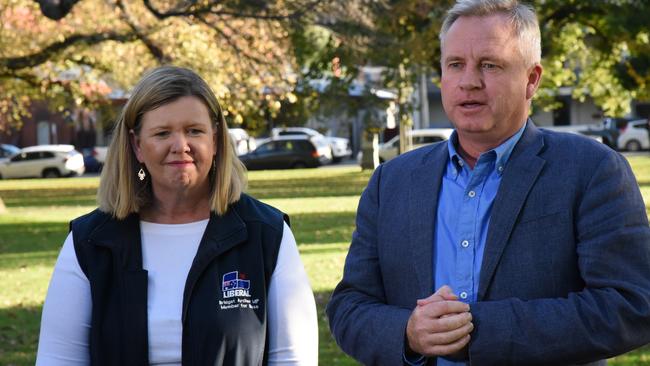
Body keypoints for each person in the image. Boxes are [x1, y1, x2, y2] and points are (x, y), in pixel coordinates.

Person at [326, 1, 650, 365]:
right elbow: (350, 307)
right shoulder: (393, 181)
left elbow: (630, 305)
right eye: (455, 65)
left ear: (532, 79)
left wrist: (477, 331)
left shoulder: (591, 170)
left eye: (490, 65)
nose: (469, 81)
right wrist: (408, 332)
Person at [36, 66, 318, 365]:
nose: (180, 146)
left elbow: (293, 359)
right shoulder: (90, 242)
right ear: (137, 145)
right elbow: (58, 359)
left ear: (216, 140)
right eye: (162, 133)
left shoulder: (266, 235)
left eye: (194, 131)